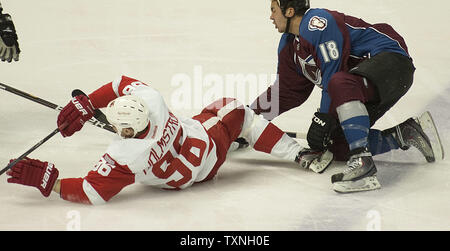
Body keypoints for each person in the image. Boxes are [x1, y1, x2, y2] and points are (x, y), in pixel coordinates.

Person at [6, 75, 333, 205]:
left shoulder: (123, 156)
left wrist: (50, 181)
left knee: (222, 117)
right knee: (235, 109)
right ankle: (297, 154)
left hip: (181, 178)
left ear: (125, 130)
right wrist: (90, 100)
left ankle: (237, 142)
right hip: (205, 148)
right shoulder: (154, 103)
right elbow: (121, 83)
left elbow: (90, 191)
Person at [249, 0, 444, 193]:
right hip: (362, 85)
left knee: (338, 83)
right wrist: (248, 120)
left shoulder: (316, 22)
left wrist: (323, 119)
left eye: (274, 9)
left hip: (391, 61)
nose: (271, 16)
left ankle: (363, 164)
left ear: (289, 10)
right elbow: (285, 92)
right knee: (337, 144)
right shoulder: (289, 46)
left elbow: (335, 73)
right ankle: (405, 134)